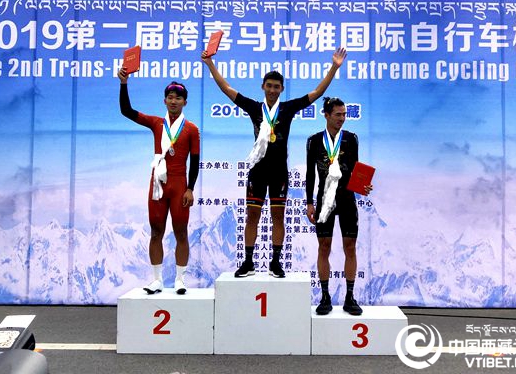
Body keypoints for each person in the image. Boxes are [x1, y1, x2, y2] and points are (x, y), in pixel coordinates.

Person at [202, 48, 347, 278]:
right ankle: (248, 262)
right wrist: (210, 64)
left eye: (276, 86)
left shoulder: (287, 109)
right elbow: (226, 89)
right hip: (257, 171)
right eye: (269, 86)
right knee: (252, 216)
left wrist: (334, 67)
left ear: (281, 89)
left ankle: (276, 262)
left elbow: (318, 92)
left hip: (279, 172)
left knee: (278, 217)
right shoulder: (254, 108)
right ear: (263, 87)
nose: (272, 90)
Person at [118, 67, 200, 295]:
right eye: (170, 97)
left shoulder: (191, 129)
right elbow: (126, 111)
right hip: (158, 184)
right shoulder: (156, 123)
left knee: (181, 232)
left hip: (179, 184)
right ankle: (157, 280)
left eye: (178, 98)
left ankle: (180, 280)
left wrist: (190, 189)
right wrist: (124, 84)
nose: (173, 101)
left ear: (185, 102)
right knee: (156, 231)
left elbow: (195, 161)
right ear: (164, 100)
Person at [305, 97, 372, 315]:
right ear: (326, 115)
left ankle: (350, 297)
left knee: (350, 247)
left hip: (346, 199)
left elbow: (356, 169)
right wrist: (309, 202)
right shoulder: (314, 141)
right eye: (338, 115)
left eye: (344, 114)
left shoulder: (351, 139)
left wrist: (364, 185)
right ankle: (325, 297)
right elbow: (310, 174)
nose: (342, 118)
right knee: (324, 246)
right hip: (324, 199)